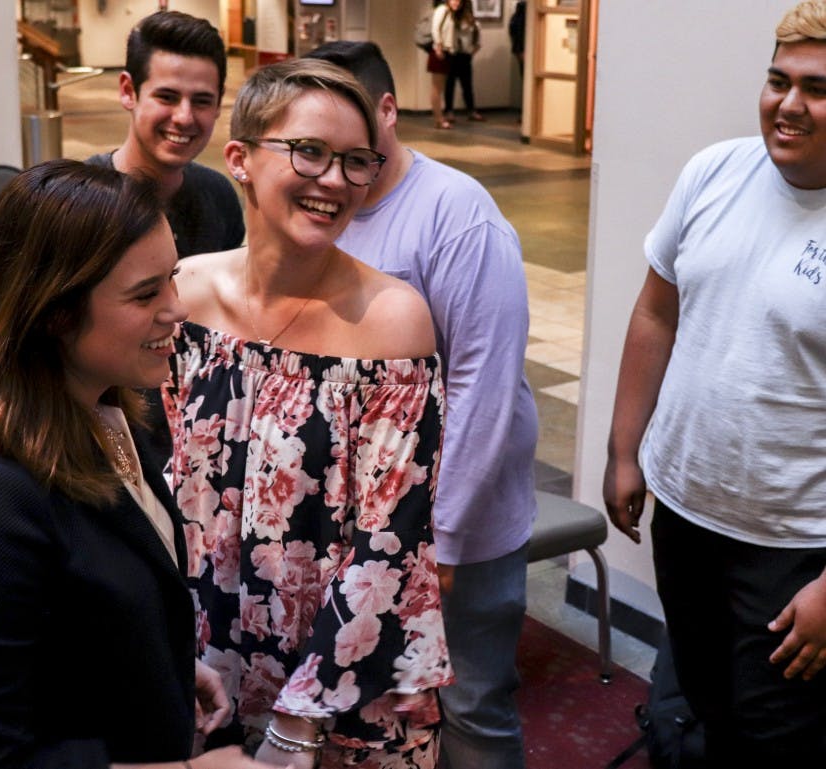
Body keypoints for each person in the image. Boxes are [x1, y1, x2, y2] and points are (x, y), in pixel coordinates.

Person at [0, 160, 278, 769]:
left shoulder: (108, 409)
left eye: (172, 279)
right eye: (146, 293)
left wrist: (167, 662)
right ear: (56, 311)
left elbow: (92, 604)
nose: (177, 308)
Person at [162, 59, 453, 769]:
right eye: (309, 151)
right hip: (206, 649)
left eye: (357, 161)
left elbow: (391, 539)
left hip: (346, 665)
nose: (335, 180)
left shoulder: (392, 319)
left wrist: (301, 718)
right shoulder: (186, 294)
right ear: (239, 158)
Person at [603, 2, 826, 766]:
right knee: (699, 709)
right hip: (690, 511)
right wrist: (625, 450)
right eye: (777, 80)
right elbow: (656, 312)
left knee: (777, 738)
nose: (789, 105)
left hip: (796, 546)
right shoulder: (715, 171)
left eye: (817, 88)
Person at [305, 41, 538, 769]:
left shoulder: (455, 212)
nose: (336, 161)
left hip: (454, 527)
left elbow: (484, 384)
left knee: (467, 706)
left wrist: (437, 540)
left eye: (354, 135)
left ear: (387, 110)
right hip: (357, 516)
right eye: (317, 141)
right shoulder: (323, 205)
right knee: (363, 707)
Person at [85, 10, 244, 259]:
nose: (184, 117)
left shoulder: (219, 197)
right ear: (128, 91)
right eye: (166, 97)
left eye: (202, 101)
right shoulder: (81, 204)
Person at [435, 0, 483, 123]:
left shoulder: (473, 23)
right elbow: (438, 30)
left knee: (467, 84)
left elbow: (478, 41)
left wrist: (471, 52)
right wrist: (440, 46)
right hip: (452, 54)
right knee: (449, 84)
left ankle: (471, 110)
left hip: (465, 55)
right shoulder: (450, 16)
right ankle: (449, 110)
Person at [428, 0, 453, 129]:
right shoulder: (442, 10)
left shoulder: (451, 13)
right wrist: (438, 46)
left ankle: (439, 118)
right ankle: (438, 118)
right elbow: (435, 29)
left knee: (440, 87)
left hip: (446, 51)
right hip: (440, 52)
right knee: (437, 87)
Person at [508, 1, 526, 78]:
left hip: (518, 48)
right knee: (525, 73)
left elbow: (512, 34)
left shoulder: (514, 18)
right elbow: (519, 35)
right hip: (522, 48)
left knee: (523, 72)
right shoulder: (521, 18)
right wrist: (521, 50)